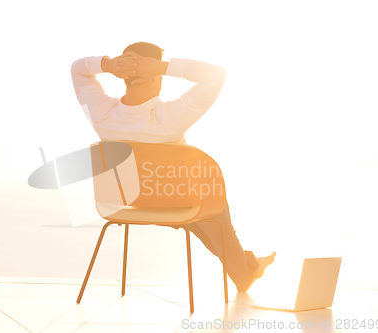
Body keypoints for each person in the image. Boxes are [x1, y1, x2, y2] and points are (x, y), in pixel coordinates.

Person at [71, 42, 275, 292]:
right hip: (176, 202)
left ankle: (249, 264)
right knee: (209, 210)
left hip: (129, 204)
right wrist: (164, 67)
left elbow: (78, 69)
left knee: (200, 220)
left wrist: (109, 65)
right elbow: (216, 75)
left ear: (123, 76)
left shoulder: (102, 115)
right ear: (156, 75)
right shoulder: (170, 118)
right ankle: (245, 272)